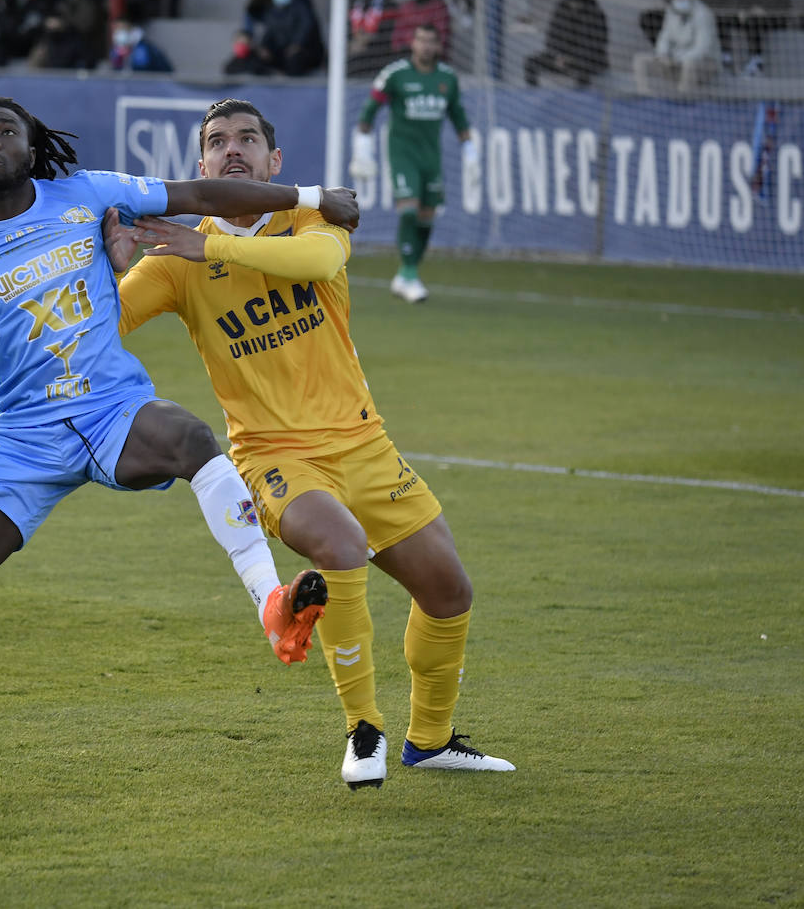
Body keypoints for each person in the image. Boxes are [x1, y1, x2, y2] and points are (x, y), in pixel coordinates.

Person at [0, 94, 360, 803]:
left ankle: (272, 603)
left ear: (32, 150)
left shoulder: (86, 194)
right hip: (24, 438)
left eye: (4, 131)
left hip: (114, 411)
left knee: (188, 437)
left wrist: (309, 196)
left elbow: (201, 193)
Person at [109, 98, 515, 789]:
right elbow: (101, 326)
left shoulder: (311, 218)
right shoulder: (175, 262)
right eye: (216, 142)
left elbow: (317, 262)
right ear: (200, 167)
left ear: (275, 163)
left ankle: (432, 739)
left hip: (365, 445)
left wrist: (206, 244)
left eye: (246, 139)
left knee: (449, 591)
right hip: (274, 456)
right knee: (340, 544)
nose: (231, 149)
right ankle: (364, 730)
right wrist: (108, 268)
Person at [350, 23, 475, 303]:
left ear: (438, 45)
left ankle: (408, 274)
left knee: (427, 218)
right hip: (402, 153)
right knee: (409, 211)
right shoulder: (395, 75)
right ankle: (407, 272)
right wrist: (362, 149)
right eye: (421, 40)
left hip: (431, 157)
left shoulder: (447, 78)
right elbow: (369, 111)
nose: (426, 46)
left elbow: (458, 116)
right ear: (413, 43)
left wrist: (470, 150)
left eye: (431, 41)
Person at [633, 0, 721, 94]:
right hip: (675, 59)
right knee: (640, 60)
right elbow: (664, 37)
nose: (678, 0)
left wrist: (679, 60)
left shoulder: (703, 13)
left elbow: (702, 48)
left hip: (702, 63)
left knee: (689, 64)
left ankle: (683, 97)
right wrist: (663, 55)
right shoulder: (672, 11)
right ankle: (644, 94)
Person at [523, 0, 608, 87]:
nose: (574, 4)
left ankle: (581, 98)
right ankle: (534, 96)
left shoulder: (595, 13)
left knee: (583, 69)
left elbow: (594, 46)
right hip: (561, 59)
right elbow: (552, 37)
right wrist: (557, 55)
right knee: (531, 62)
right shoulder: (562, 8)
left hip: (588, 61)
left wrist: (571, 59)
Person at [255, 0, 325, 77]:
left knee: (294, 61)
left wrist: (297, 44)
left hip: (302, 52)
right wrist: (265, 46)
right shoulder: (271, 10)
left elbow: (307, 28)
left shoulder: (301, 7)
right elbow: (269, 32)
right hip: (280, 52)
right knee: (258, 60)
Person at [108, 14, 173, 73]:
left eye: (122, 29)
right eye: (116, 29)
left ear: (131, 28)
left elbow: (141, 69)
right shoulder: (116, 50)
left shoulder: (144, 48)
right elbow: (116, 69)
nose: (119, 33)